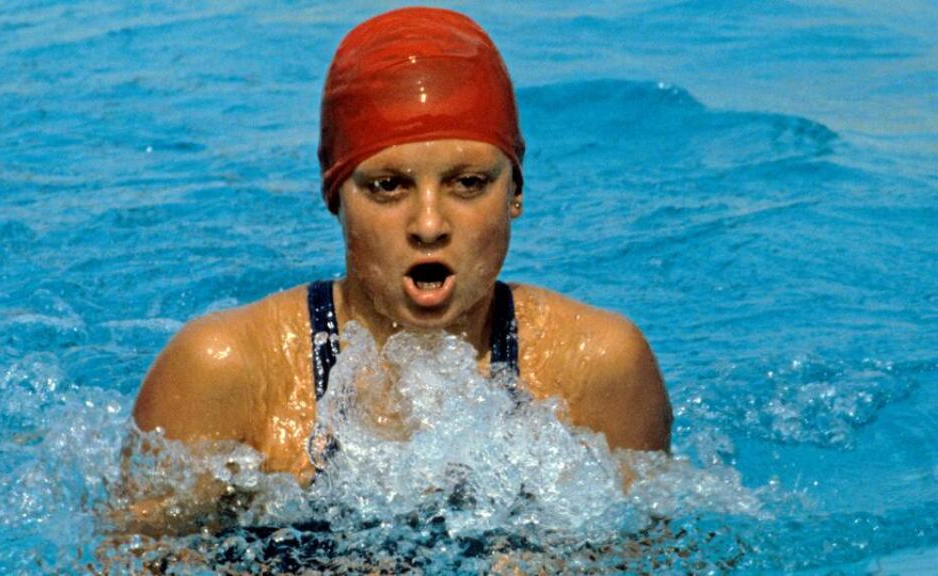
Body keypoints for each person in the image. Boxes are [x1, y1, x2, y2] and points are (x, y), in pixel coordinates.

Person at [129, 7, 671, 524]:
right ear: (335, 195)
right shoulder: (225, 373)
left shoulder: (599, 367)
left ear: (515, 191)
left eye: (468, 183)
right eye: (388, 186)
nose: (429, 224)